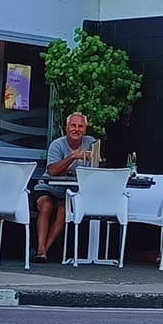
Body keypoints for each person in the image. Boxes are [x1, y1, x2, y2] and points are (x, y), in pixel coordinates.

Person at [31, 112, 97, 262]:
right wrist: (72, 157)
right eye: (73, 125)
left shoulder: (91, 143)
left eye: (80, 126)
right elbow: (52, 171)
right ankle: (40, 248)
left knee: (63, 211)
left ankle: (43, 252)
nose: (77, 129)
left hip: (69, 192)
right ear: (66, 128)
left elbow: (95, 169)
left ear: (85, 130)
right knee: (46, 206)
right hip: (48, 188)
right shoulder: (57, 144)